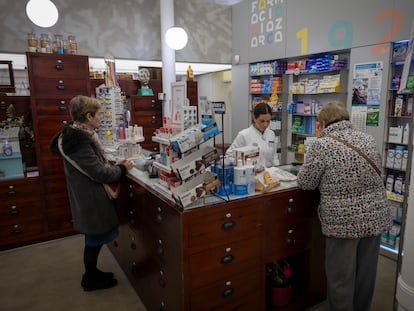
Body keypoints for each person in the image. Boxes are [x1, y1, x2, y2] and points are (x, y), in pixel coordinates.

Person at [296, 101, 393, 311]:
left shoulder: (322, 145)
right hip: (374, 219)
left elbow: (306, 182)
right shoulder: (367, 139)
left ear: (323, 122)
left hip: (344, 222)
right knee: (365, 276)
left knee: (341, 279)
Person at [49, 95, 134, 291]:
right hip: (90, 197)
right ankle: (90, 278)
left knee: (94, 239)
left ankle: (93, 273)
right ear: (88, 116)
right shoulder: (79, 142)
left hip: (86, 193)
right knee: (94, 240)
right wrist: (122, 170)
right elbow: (99, 172)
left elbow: (93, 165)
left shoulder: (76, 135)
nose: (101, 118)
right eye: (98, 115)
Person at [226, 102, 277, 169]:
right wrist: (243, 165)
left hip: (269, 173)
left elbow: (274, 156)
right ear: (254, 119)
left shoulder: (271, 134)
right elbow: (229, 155)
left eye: (268, 121)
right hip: (251, 174)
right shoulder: (244, 135)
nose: (265, 125)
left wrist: (277, 168)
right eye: (262, 121)